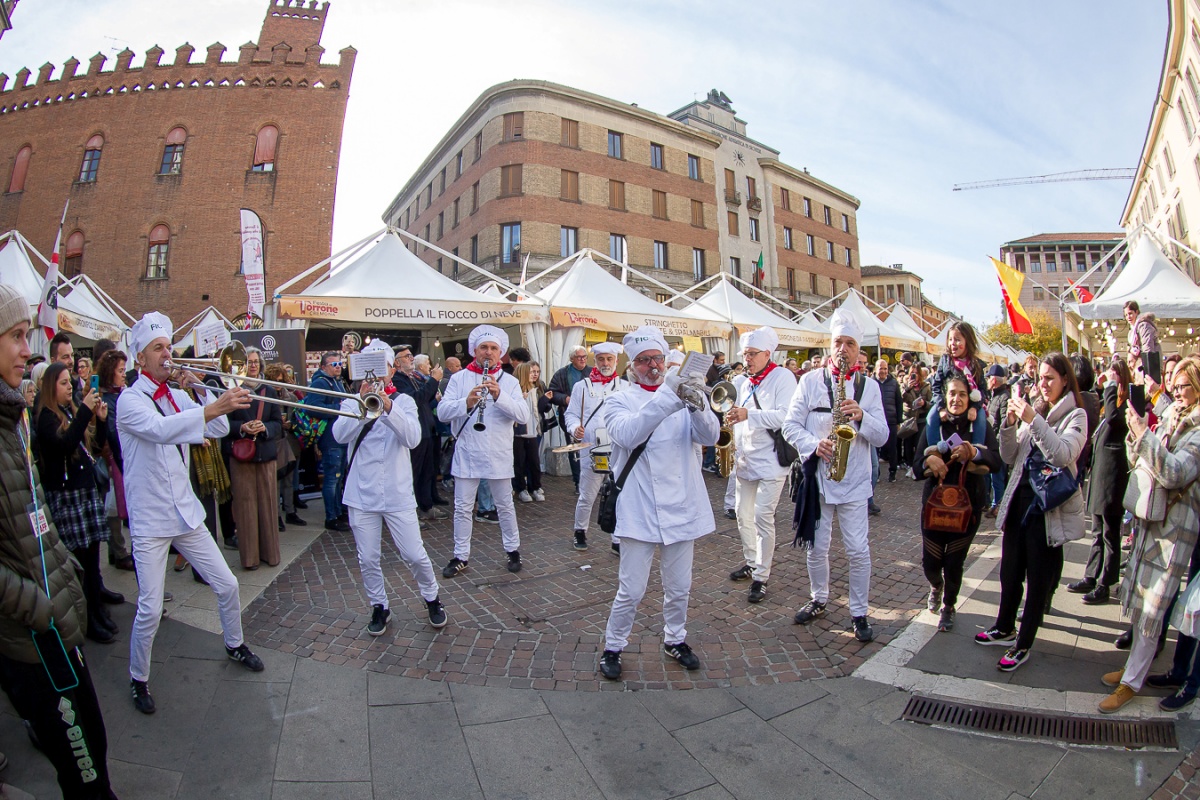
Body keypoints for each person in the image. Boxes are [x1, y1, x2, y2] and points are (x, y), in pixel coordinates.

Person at [0, 284, 122, 799]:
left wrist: (65, 575)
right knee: (83, 768)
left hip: (52, 618)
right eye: (15, 335)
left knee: (92, 748)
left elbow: (31, 508)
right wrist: (41, 607)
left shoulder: (12, 420)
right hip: (32, 633)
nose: (28, 349)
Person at [118, 312, 264, 714]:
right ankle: (138, 677)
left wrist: (201, 392)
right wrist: (210, 407)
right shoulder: (130, 401)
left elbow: (215, 431)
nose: (167, 355)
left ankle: (234, 644)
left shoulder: (176, 395)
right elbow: (161, 431)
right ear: (140, 359)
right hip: (150, 519)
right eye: (158, 349)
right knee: (149, 606)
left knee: (228, 585)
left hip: (184, 513)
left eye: (168, 347)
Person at [597, 326, 719, 680]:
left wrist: (697, 403)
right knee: (631, 589)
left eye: (657, 359)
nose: (653, 365)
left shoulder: (680, 394)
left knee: (679, 586)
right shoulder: (619, 398)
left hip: (682, 504)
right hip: (639, 508)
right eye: (644, 360)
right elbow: (628, 432)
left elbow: (710, 436)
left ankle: (675, 639)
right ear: (632, 365)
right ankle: (613, 646)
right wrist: (670, 394)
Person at [1098, 356, 1200, 713]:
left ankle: (1133, 682)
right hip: (1152, 522)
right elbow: (1142, 460)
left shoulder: (1199, 430)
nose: (1174, 389)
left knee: (1154, 605)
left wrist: (1144, 436)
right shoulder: (1173, 417)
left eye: (1182, 384)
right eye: (1174, 382)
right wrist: (1135, 434)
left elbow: (1174, 472)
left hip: (1175, 531)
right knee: (1143, 602)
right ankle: (1132, 670)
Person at [782, 308, 889, 643]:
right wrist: (814, 445)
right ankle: (819, 598)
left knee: (858, 549)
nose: (843, 349)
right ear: (830, 346)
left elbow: (883, 436)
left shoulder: (869, 387)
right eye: (838, 342)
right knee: (817, 547)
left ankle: (859, 612)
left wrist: (862, 419)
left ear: (859, 351)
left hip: (855, 481)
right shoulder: (810, 381)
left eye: (850, 344)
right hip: (819, 479)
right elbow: (789, 426)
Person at [975, 353, 1086, 672]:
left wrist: (1032, 420)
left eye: (1051, 378)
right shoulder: (1035, 407)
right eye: (1041, 377)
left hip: (1047, 509)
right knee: (1009, 571)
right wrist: (1009, 427)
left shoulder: (1076, 414)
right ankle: (1004, 626)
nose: (1044, 384)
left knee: (1037, 580)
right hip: (1020, 502)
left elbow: (1063, 454)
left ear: (1066, 380)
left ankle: (1023, 644)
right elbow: (1009, 456)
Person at [332, 339, 448, 635]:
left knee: (413, 553)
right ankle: (379, 606)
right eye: (367, 369)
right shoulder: (350, 401)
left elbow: (412, 438)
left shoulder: (405, 401)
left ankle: (432, 597)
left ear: (389, 369)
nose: (374, 376)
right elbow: (339, 436)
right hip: (361, 493)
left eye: (379, 368)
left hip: (396, 492)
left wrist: (387, 406)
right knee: (368, 557)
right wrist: (361, 407)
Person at [35, 362, 123, 644]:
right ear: (51, 387)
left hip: (84, 492)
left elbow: (92, 448)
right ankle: (87, 621)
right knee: (80, 564)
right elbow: (64, 445)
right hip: (67, 496)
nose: (69, 387)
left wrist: (100, 419)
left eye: (68, 382)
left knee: (93, 559)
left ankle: (97, 612)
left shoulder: (67, 410)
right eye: (63, 383)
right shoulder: (46, 417)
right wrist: (84, 411)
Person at [913, 371, 1003, 631]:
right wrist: (928, 460)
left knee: (954, 562)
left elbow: (996, 462)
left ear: (970, 398)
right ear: (945, 397)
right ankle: (935, 586)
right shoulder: (934, 425)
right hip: (934, 505)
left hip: (968, 506)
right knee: (931, 564)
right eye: (952, 393)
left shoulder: (980, 427)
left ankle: (949, 606)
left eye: (962, 394)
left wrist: (974, 452)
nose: (957, 399)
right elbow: (917, 467)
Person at [438, 325, 529, 576]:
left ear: (501, 353)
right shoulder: (459, 379)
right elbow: (443, 413)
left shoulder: (509, 381)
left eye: (493, 349)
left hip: (498, 451)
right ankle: (460, 555)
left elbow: (523, 416)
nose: (488, 353)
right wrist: (466, 402)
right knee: (463, 507)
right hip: (468, 451)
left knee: (504, 505)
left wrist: (501, 397)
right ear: (474, 351)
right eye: (483, 348)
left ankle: (513, 550)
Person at [725, 327, 797, 605]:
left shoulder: (783, 377)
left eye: (753, 354)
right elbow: (742, 416)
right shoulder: (743, 382)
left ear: (768, 354)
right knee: (743, 515)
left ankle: (761, 577)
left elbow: (785, 416)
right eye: (745, 354)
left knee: (762, 517)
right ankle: (751, 561)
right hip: (746, 459)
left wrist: (748, 414)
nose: (748, 359)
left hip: (771, 462)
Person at [1068, 357, 1131, 605]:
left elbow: (1116, 419)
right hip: (1100, 474)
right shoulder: (1106, 400)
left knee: (1109, 533)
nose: (1110, 376)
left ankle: (1106, 582)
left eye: (1116, 373)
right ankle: (1091, 576)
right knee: (1097, 530)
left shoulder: (1127, 402)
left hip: (1113, 477)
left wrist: (1112, 387)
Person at [565, 342, 628, 552]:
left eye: (609, 359)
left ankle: (617, 538)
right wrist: (575, 428)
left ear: (616, 361)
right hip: (590, 449)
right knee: (587, 495)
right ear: (595, 361)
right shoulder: (581, 386)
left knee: (618, 495)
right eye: (601, 359)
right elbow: (571, 414)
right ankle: (579, 531)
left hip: (618, 451)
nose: (605, 363)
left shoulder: (626, 387)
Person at [224, 346, 283, 570]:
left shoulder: (269, 391)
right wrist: (243, 427)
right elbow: (223, 425)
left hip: (265, 455)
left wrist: (264, 427)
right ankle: (250, 558)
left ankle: (271, 554)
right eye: (249, 362)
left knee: (268, 505)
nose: (253, 365)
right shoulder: (231, 391)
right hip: (242, 457)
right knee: (246, 507)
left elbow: (278, 424)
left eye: (256, 361)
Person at [392, 345, 446, 522]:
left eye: (411, 355)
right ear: (396, 362)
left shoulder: (413, 377)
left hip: (426, 429)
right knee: (414, 473)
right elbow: (415, 399)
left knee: (427, 471)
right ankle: (412, 511)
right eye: (407, 356)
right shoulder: (398, 380)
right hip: (415, 433)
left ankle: (426, 505)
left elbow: (424, 398)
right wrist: (434, 381)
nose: (411, 359)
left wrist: (432, 390)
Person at [96, 350, 135, 571]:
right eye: (120, 371)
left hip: (119, 459)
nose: (124, 375)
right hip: (114, 460)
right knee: (115, 509)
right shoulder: (109, 399)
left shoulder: (120, 395)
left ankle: (117, 551)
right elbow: (113, 432)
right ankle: (119, 551)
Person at [925, 321, 988, 451]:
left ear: (968, 341)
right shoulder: (945, 360)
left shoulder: (976, 364)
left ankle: (976, 449)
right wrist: (941, 407)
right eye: (951, 339)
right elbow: (936, 385)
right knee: (931, 417)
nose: (953, 343)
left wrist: (975, 408)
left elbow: (983, 390)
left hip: (970, 404)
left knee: (981, 418)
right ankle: (933, 451)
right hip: (947, 403)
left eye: (957, 340)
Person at [305, 352, 351, 531]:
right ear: (323, 367)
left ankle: (338, 511)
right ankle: (331, 517)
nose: (338, 366)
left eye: (340, 363)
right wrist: (339, 408)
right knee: (332, 479)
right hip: (330, 439)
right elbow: (313, 408)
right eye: (334, 364)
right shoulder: (320, 382)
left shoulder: (337, 382)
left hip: (339, 437)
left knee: (338, 478)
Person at [265, 363, 305, 528]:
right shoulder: (265, 396)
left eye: (280, 381)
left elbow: (300, 418)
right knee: (274, 482)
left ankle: (290, 511)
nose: (277, 384)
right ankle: (275, 516)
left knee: (289, 479)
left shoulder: (291, 397)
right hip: (273, 442)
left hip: (290, 442)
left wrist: (292, 424)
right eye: (274, 381)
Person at [548, 346, 590, 492]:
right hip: (569, 416)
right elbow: (551, 392)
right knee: (574, 449)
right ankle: (578, 481)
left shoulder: (591, 372)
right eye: (579, 357)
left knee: (591, 448)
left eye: (585, 357)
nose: (583, 360)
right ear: (572, 358)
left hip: (590, 417)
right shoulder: (561, 374)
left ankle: (592, 481)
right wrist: (565, 399)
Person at [512, 361, 551, 503]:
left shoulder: (536, 389)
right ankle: (521, 488)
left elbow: (538, 410)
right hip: (518, 432)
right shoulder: (515, 391)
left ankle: (535, 487)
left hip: (533, 431)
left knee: (534, 461)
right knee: (519, 462)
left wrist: (546, 400)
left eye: (536, 372)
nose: (534, 375)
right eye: (531, 372)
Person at [983, 365, 1011, 516]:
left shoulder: (1004, 397)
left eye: (988, 378)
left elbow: (1004, 424)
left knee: (998, 478)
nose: (986, 380)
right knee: (989, 476)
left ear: (993, 380)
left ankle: (998, 506)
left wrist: (997, 443)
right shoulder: (994, 396)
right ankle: (989, 504)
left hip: (998, 445)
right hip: (991, 444)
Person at [874, 358, 903, 482]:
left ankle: (892, 472)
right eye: (881, 368)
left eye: (885, 368)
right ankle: (877, 473)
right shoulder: (870, 383)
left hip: (890, 420)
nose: (883, 371)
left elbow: (899, 402)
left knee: (892, 448)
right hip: (875, 420)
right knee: (875, 449)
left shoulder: (894, 383)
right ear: (876, 369)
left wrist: (898, 421)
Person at [900, 364, 932, 479]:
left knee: (919, 444)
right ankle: (910, 465)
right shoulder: (904, 385)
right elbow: (901, 399)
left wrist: (924, 404)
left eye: (916, 373)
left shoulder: (926, 386)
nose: (914, 376)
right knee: (908, 444)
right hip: (910, 419)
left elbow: (931, 403)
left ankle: (916, 467)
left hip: (922, 419)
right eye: (912, 373)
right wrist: (908, 388)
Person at [1125, 300, 1160, 377]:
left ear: (1136, 312)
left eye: (1130, 313)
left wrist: (1148, 369)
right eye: (1126, 315)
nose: (1128, 317)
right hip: (1139, 365)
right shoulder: (1131, 331)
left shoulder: (1144, 325)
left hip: (1150, 365)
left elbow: (1148, 348)